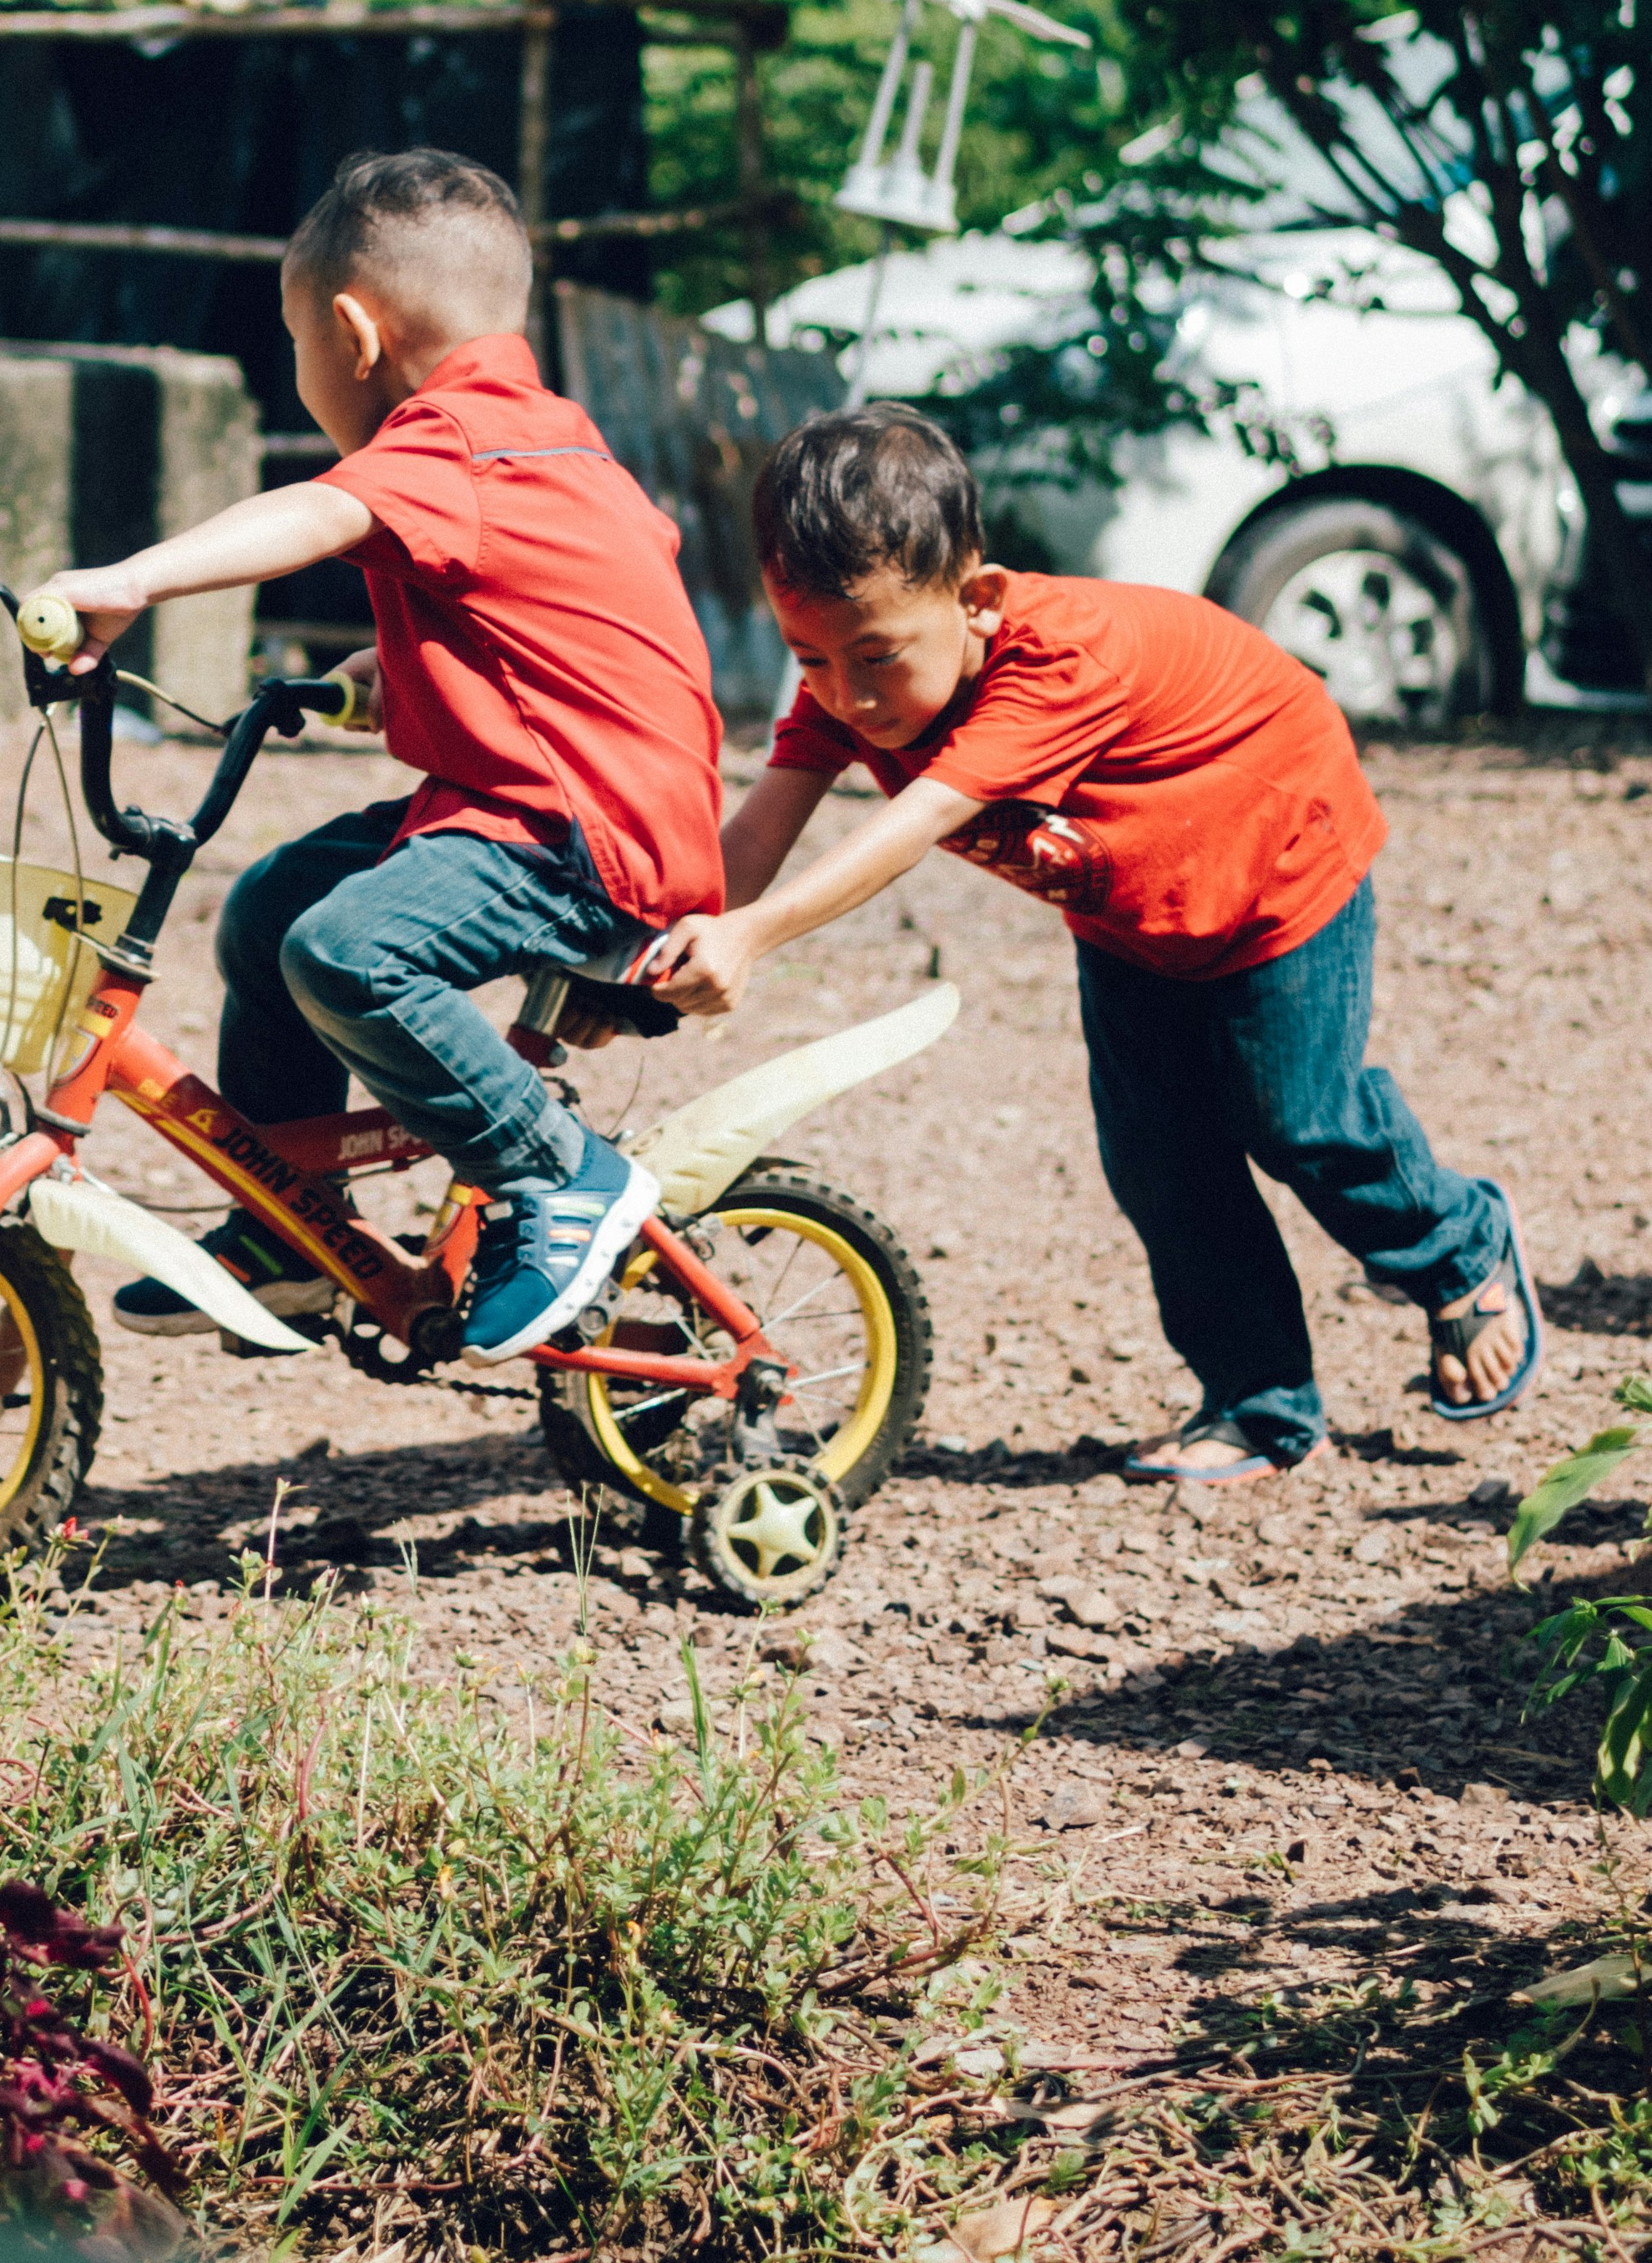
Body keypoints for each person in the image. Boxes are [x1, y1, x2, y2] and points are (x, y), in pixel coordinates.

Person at [649, 405, 1538, 1482]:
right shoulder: (849, 685)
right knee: (1159, 1159)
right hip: (1133, 914)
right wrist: (658, 936)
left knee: (1301, 1116)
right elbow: (757, 829)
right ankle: (1259, 1406)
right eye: (812, 659)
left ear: (974, 600)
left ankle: (1458, 1247)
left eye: (877, 655)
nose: (849, 695)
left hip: (1279, 869)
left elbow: (913, 825)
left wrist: (753, 937)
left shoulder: (1054, 664)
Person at [28, 145, 724, 1361]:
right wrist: (382, 680)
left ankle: (557, 1175)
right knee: (270, 906)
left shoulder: (455, 437)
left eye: (295, 346)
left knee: (345, 948)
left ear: (351, 332)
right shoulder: (545, 439)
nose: (303, 375)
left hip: (574, 833)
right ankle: (290, 1217)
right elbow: (546, 628)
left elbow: (318, 510)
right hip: (551, 801)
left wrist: (132, 578)